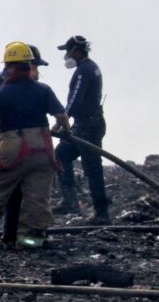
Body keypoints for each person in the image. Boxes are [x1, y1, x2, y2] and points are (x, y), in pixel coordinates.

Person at [0, 42, 70, 248]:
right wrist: (64, 130)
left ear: (10, 66)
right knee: (37, 197)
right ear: (29, 65)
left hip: (13, 146)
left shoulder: (4, 91)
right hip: (42, 148)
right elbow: (62, 115)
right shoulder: (43, 89)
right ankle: (30, 240)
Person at [0, 44, 49, 245]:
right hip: (11, 142)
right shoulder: (3, 83)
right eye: (34, 65)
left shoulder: (24, 82)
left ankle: (22, 236)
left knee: (30, 192)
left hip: (26, 143)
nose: (36, 71)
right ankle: (10, 235)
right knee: (11, 191)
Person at [53, 35, 110, 224]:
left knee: (92, 167)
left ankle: (102, 214)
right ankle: (70, 202)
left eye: (67, 52)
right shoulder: (90, 67)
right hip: (88, 124)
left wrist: (60, 123)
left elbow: (74, 101)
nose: (66, 56)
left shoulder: (83, 71)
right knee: (61, 153)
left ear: (77, 51)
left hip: (87, 126)